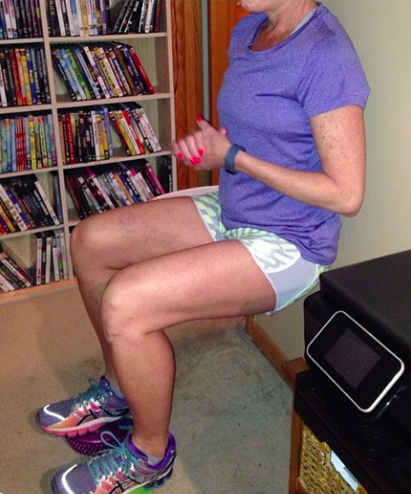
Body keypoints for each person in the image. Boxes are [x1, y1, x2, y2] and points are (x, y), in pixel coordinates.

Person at [37, 1, 370, 493]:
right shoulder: (248, 30)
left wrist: (232, 157)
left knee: (127, 303)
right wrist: (213, 147)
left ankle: (149, 456)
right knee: (89, 242)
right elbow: (262, 131)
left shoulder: (326, 54)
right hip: (234, 207)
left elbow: (346, 194)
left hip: (289, 239)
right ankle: (120, 387)